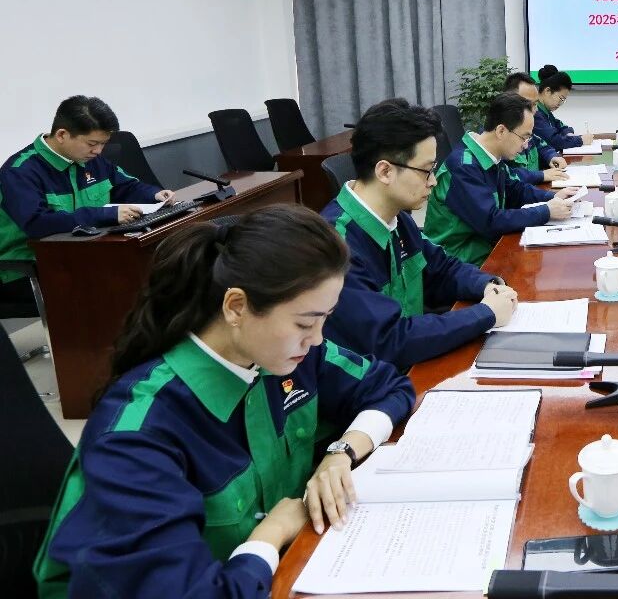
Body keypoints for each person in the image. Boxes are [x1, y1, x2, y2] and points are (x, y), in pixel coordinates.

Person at [33, 204, 416, 597]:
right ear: (236, 307)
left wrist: (341, 453)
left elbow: (391, 387)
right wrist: (272, 535)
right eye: (304, 322)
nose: (317, 338)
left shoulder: (281, 355)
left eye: (325, 319)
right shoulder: (140, 434)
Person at [321, 99, 520, 370]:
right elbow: (390, 341)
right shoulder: (335, 246)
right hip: (377, 383)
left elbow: (441, 269)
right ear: (385, 171)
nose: (434, 181)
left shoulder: (397, 218)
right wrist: (485, 314)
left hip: (412, 366)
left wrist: (487, 285)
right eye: (426, 171)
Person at [0, 96, 174, 297]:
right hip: (29, 269)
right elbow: (37, 223)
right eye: (92, 143)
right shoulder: (20, 171)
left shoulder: (90, 159)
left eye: (103, 144)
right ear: (62, 135)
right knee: (126, 284)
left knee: (161, 269)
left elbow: (125, 186)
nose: (98, 151)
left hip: (85, 255)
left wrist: (154, 195)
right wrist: (104, 215)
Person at [424, 92, 579, 265]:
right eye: (524, 137)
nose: (526, 145)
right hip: (458, 260)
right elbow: (491, 221)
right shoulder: (464, 166)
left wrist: (553, 197)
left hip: (485, 246)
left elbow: (515, 189)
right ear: (501, 131)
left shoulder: (490, 155)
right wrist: (546, 211)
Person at [503, 72, 569, 184]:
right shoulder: (501, 135)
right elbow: (507, 177)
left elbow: (540, 144)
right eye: (530, 104)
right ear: (509, 101)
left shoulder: (524, 129)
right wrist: (541, 175)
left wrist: (551, 156)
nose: (536, 110)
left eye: (535, 104)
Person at [532, 65, 594, 151]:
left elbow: (562, 126)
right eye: (561, 98)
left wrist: (568, 134)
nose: (560, 104)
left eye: (563, 100)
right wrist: (581, 140)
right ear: (547, 91)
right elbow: (554, 141)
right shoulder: (535, 113)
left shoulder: (546, 111)